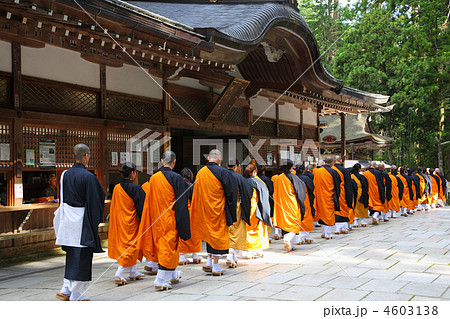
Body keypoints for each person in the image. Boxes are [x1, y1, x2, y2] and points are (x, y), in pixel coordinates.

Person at [53, 144, 105, 301]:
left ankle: (66, 289)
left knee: (72, 255)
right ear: (86, 156)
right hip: (82, 221)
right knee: (81, 256)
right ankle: (76, 294)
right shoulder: (89, 177)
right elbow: (96, 201)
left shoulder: (64, 174)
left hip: (68, 220)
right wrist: (94, 221)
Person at [137, 151, 191, 290]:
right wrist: (183, 222)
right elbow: (181, 203)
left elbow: (149, 201)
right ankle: (160, 279)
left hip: (156, 219)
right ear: (174, 162)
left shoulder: (154, 178)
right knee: (169, 248)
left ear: (162, 161)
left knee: (164, 248)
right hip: (169, 219)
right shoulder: (176, 178)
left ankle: (172, 275)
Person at [190, 149, 238, 276]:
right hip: (219, 210)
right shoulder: (223, 172)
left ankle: (209, 262)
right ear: (219, 158)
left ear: (208, 158)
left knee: (209, 236)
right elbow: (231, 193)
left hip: (205, 210)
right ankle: (216, 266)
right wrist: (231, 211)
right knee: (217, 236)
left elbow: (196, 193)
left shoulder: (201, 172)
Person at [108, 162, 145, 286]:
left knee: (128, 246)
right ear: (132, 173)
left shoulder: (117, 188)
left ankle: (133, 272)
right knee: (132, 247)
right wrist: (143, 222)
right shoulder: (136, 188)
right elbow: (141, 208)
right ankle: (119, 272)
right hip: (132, 223)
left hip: (121, 222)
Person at [273, 159, 306, 251]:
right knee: (294, 223)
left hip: (281, 204)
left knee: (285, 224)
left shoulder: (278, 178)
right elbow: (300, 191)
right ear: (291, 167)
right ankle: (287, 239)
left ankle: (290, 245)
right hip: (292, 204)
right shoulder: (293, 177)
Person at [225, 158, 252, 267]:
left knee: (227, 231)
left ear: (227, 165)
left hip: (223, 207)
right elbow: (248, 191)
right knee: (236, 231)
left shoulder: (222, 176)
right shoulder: (239, 178)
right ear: (236, 166)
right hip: (236, 207)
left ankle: (230, 254)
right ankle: (231, 255)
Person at [244, 164, 272, 258]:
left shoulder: (243, 181)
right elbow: (264, 198)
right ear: (255, 172)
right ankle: (258, 250)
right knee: (257, 229)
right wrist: (266, 212)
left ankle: (249, 251)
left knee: (247, 229)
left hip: (245, 208)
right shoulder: (258, 182)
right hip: (256, 209)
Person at [178, 168, 202, 266]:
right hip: (191, 211)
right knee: (194, 233)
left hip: (180, 210)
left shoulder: (177, 186)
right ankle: (195, 255)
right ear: (190, 177)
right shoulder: (192, 186)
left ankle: (181, 255)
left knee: (181, 232)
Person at [314, 157, 340, 239]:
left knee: (322, 214)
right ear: (332, 163)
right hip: (329, 196)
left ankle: (324, 232)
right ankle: (327, 234)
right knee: (329, 214)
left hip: (319, 196)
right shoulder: (333, 172)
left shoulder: (317, 171)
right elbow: (338, 184)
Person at [332, 156, 354, 234]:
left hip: (333, 192)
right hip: (342, 192)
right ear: (341, 161)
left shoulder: (331, 170)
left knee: (336, 209)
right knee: (344, 208)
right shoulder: (345, 170)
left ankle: (337, 228)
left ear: (334, 161)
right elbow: (348, 184)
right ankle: (344, 227)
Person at [295, 164, 315, 243]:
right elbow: (311, 188)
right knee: (306, 217)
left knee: (298, 216)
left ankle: (306, 236)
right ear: (304, 170)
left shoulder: (292, 177)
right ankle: (301, 237)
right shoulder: (306, 178)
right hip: (305, 199)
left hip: (295, 199)